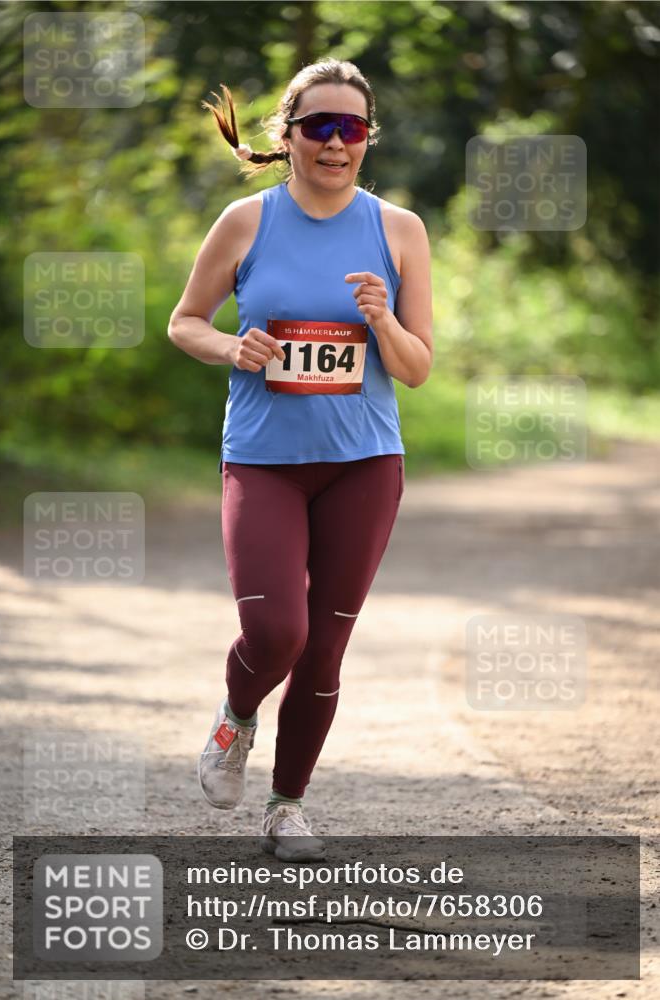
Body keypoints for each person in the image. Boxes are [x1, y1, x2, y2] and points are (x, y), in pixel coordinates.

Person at [168, 58, 433, 861]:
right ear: (285, 137)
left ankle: (286, 809)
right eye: (316, 125)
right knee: (276, 628)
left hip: (363, 464)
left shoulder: (399, 230)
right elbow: (186, 322)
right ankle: (237, 716)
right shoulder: (246, 222)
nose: (332, 142)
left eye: (349, 128)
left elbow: (417, 367)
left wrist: (383, 322)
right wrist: (230, 347)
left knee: (325, 646)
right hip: (264, 460)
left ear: (366, 140)